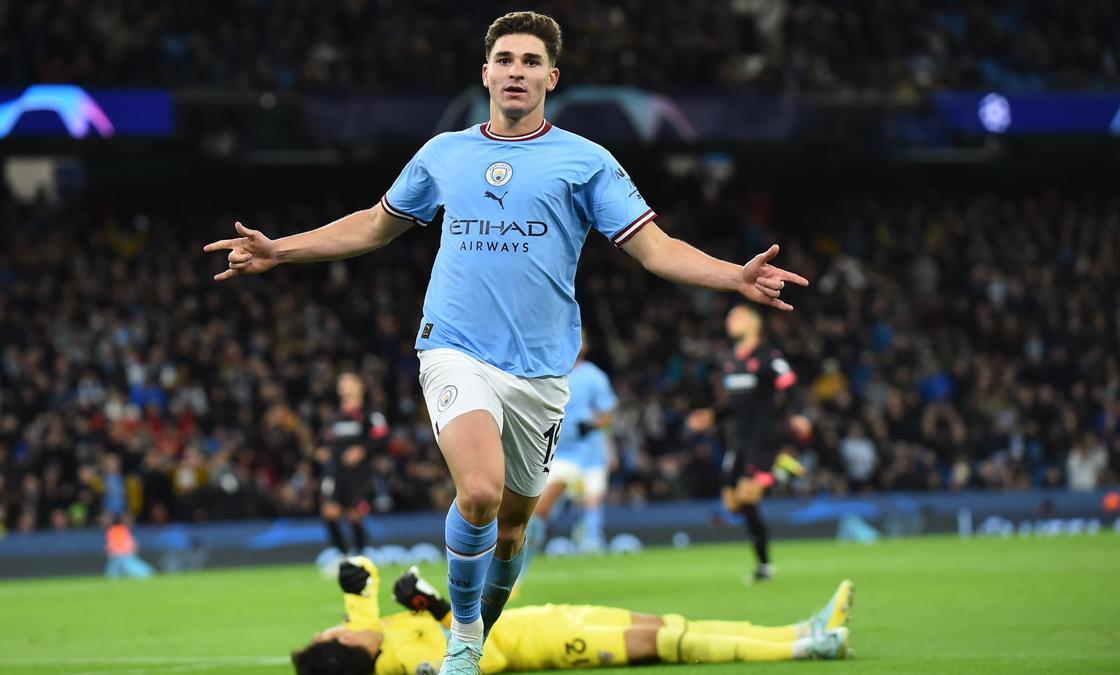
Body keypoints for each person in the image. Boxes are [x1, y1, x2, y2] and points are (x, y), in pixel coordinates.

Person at [205, 11, 808, 673]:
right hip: (454, 347)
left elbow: (655, 250)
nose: (516, 71)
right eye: (505, 59)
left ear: (551, 76)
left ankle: (479, 627)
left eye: (530, 61)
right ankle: (464, 637)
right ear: (485, 72)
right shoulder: (443, 154)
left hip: (542, 372)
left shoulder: (587, 162)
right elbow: (376, 226)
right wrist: (279, 250)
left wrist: (733, 275)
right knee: (482, 493)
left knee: (514, 526)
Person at [290, 557, 852, 674]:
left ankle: (804, 629)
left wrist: (359, 576)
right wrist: (437, 606)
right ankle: (808, 648)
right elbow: (490, 655)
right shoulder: (408, 663)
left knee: (678, 626)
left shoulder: (373, 636)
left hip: (554, 615)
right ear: (347, 650)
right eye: (332, 632)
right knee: (678, 642)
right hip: (559, 644)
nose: (336, 624)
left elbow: (359, 584)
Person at [715, 305, 810, 584]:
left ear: (752, 323)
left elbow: (792, 389)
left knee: (748, 495)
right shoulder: (729, 360)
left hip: (763, 437)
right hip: (738, 440)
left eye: (735, 316)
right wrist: (711, 415)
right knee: (734, 504)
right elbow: (735, 405)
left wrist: (799, 414)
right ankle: (764, 566)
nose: (729, 320)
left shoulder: (769, 356)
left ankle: (779, 469)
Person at [527, 331, 617, 561]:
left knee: (592, 498)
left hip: (589, 451)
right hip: (558, 452)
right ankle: (526, 547)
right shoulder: (549, 374)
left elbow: (608, 414)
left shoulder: (594, 376)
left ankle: (591, 544)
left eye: (582, 339)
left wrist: (592, 427)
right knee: (542, 506)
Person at [318, 372, 390, 555]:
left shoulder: (369, 413)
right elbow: (330, 438)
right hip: (336, 472)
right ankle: (342, 555)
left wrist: (362, 449)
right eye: (341, 381)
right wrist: (326, 450)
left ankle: (359, 555)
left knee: (353, 515)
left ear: (359, 386)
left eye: (347, 381)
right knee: (329, 512)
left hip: (359, 473)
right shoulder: (335, 415)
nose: (343, 385)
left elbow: (382, 435)